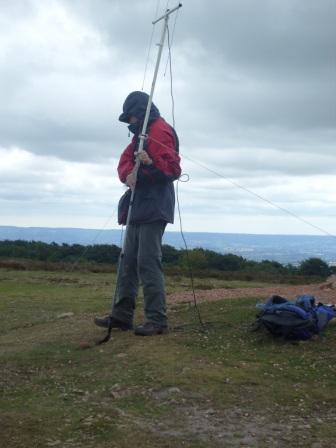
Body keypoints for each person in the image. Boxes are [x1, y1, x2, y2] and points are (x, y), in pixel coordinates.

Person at [94, 91, 181, 336]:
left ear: (141, 113)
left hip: (154, 204)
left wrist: (149, 165)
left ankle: (157, 320)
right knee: (128, 261)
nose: (130, 121)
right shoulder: (141, 135)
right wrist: (130, 174)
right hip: (138, 202)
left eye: (132, 116)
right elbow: (125, 163)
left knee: (147, 261)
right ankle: (121, 316)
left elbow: (172, 169)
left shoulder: (160, 130)